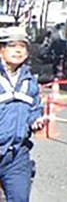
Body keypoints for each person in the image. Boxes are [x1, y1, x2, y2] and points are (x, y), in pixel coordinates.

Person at [0, 27, 45, 202]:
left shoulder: (29, 80)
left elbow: (35, 107)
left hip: (16, 154)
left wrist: (36, 120)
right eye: (12, 45)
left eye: (22, 46)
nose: (18, 50)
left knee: (19, 198)